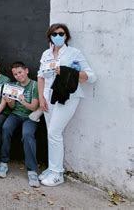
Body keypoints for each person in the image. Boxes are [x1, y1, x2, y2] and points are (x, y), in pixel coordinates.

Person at [37, 23, 96, 187]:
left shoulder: (74, 53)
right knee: (51, 133)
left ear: (66, 36)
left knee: (55, 132)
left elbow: (91, 76)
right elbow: (40, 77)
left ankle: (57, 174)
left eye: (61, 33)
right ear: (49, 37)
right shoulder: (46, 54)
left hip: (67, 96)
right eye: (54, 34)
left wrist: (68, 72)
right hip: (48, 97)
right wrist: (41, 98)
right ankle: (51, 168)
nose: (57, 36)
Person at [0, 62, 40, 187]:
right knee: (5, 128)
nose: (18, 75)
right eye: (15, 74)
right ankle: (3, 163)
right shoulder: (14, 86)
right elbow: (12, 107)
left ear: (26, 71)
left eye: (20, 72)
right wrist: (10, 101)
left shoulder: (35, 85)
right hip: (16, 115)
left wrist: (23, 102)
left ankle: (32, 170)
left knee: (27, 135)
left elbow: (34, 107)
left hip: (30, 117)